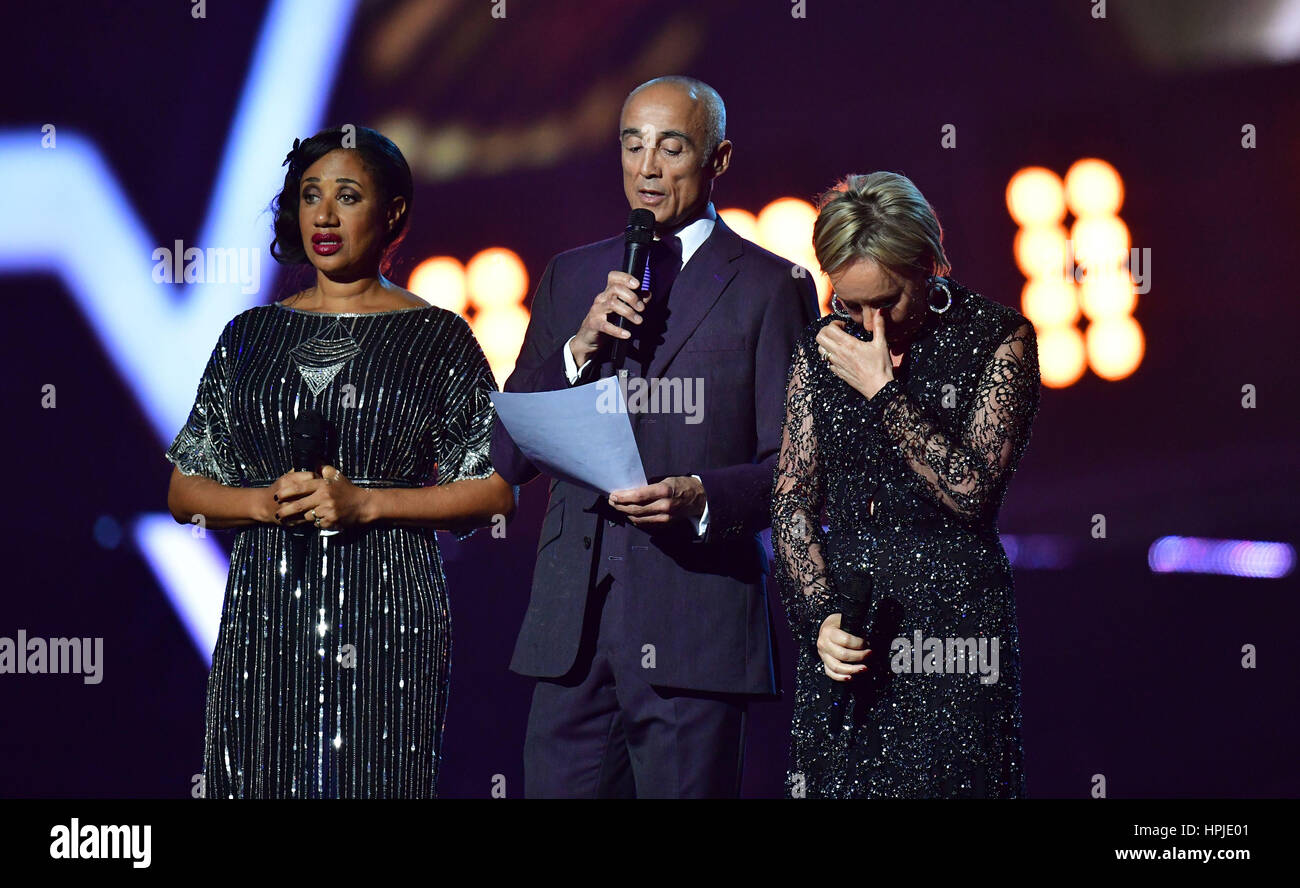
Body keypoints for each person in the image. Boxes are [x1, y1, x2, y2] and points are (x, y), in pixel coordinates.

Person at [491, 76, 819, 797]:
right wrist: (577, 349)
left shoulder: (771, 286)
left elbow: (798, 469)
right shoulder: (572, 275)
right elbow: (507, 452)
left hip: (692, 630)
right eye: (632, 145)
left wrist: (703, 497)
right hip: (570, 639)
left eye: (671, 148)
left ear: (719, 159)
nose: (647, 167)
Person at [164, 126, 514, 798]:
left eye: (346, 196)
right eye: (309, 196)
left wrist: (370, 504)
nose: (323, 215)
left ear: (393, 214)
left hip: (389, 610)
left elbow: (495, 490)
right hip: (266, 609)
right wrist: (260, 502)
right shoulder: (249, 336)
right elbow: (185, 488)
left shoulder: (438, 335)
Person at [771, 171, 1041, 798]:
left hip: (953, 625)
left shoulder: (997, 339)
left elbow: (973, 492)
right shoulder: (822, 347)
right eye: (850, 304)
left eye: (887, 302)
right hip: (851, 618)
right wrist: (820, 616)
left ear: (929, 266)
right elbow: (792, 498)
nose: (871, 325)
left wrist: (882, 391)